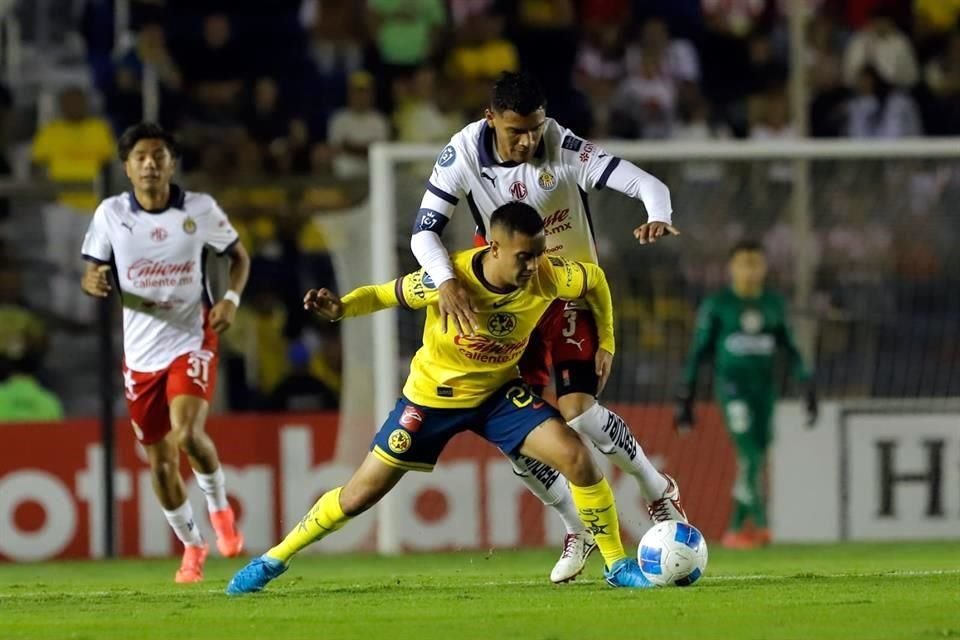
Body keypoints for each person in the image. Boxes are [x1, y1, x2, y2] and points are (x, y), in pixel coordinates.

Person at [227, 202, 654, 594]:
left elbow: (594, 280)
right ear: (494, 246)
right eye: (524, 256)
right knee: (359, 495)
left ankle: (616, 564)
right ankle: (273, 559)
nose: (533, 265)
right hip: (431, 399)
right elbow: (383, 294)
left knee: (576, 457)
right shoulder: (449, 278)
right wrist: (342, 309)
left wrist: (608, 341)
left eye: (538, 253)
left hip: (497, 395)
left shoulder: (548, 277)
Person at [409, 70, 685, 583]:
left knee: (578, 415)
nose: (528, 140)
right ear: (490, 118)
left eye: (535, 128)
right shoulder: (463, 153)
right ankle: (575, 527)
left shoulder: (562, 145)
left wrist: (656, 212)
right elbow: (423, 233)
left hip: (566, 291)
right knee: (517, 442)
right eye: (517, 130)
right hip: (507, 302)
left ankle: (656, 491)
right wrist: (444, 280)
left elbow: (647, 183)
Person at [80, 122, 251, 582]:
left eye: (159, 155)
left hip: (191, 339)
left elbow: (239, 257)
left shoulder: (199, 210)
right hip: (140, 357)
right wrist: (93, 280)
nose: (150, 163)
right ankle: (193, 547)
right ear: (127, 168)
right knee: (159, 463)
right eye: (141, 157)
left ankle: (220, 514)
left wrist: (230, 302)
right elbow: (92, 272)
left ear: (172, 163)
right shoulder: (110, 214)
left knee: (187, 434)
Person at [674, 240, 817, 549]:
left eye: (755, 264)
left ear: (764, 267)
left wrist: (806, 386)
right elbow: (699, 352)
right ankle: (760, 523)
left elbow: (791, 349)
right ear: (732, 268)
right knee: (749, 451)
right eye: (744, 264)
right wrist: (686, 395)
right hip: (732, 389)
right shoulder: (719, 305)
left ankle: (737, 528)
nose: (750, 271)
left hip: (765, 390)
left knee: (756, 455)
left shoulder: (774, 305)